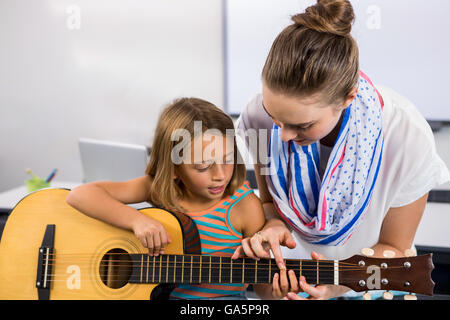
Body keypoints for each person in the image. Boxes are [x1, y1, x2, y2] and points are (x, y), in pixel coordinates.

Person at [232, 0, 450, 300]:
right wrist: (271, 225)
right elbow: (270, 205)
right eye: (275, 118)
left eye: (302, 125)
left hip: (368, 284)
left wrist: (336, 285)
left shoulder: (405, 135)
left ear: (348, 97)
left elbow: (396, 249)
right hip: (283, 285)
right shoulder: (255, 117)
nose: (281, 136)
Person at [66, 97, 266, 300]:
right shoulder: (160, 189)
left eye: (228, 159)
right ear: (173, 168)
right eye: (203, 166)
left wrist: (277, 291)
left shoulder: (245, 206)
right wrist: (137, 220)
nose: (220, 175)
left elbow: (263, 287)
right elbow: (79, 195)